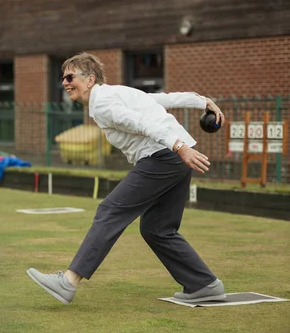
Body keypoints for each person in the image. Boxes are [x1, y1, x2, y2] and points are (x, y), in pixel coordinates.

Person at [26, 52, 227, 305]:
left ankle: (68, 282)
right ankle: (204, 284)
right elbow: (159, 99)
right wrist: (202, 101)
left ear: (90, 79)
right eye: (62, 77)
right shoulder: (112, 93)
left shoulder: (103, 103)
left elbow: (142, 122)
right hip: (174, 156)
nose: (65, 82)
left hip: (164, 155)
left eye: (70, 76)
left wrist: (179, 147)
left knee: (110, 210)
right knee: (157, 228)